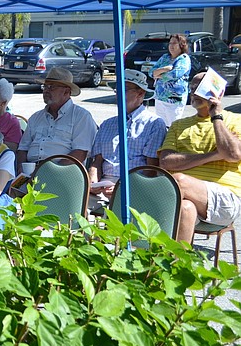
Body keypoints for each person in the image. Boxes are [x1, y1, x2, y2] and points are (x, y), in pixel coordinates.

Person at [158, 71, 241, 243]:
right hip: (187, 198)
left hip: (225, 197)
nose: (194, 92)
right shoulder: (179, 125)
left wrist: (216, 116)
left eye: (200, 88)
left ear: (220, 92)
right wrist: (215, 155)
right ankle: (177, 267)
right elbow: (166, 162)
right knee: (186, 209)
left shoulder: (235, 120)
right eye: (192, 87)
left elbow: (233, 155)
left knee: (177, 181)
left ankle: (145, 247)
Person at [88, 69, 167, 208]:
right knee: (75, 206)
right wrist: (93, 181)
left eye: (124, 89)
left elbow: (151, 169)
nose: (118, 93)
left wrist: (124, 188)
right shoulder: (107, 124)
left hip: (135, 189)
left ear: (140, 93)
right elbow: (97, 162)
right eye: (117, 89)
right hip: (103, 187)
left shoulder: (153, 124)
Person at [17, 68, 97, 166]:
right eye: (45, 86)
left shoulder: (81, 116)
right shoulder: (35, 117)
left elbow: (80, 153)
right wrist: (22, 168)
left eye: (51, 87)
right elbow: (23, 149)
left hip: (62, 173)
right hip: (31, 171)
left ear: (66, 92)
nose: (46, 90)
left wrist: (52, 172)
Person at [150, 33, 192, 127]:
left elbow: (174, 75)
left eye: (174, 43)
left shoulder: (184, 59)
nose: (171, 46)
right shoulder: (165, 57)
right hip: (160, 98)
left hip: (174, 100)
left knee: (173, 127)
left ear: (182, 45)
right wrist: (164, 69)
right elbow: (151, 72)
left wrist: (158, 74)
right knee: (161, 126)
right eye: (170, 43)